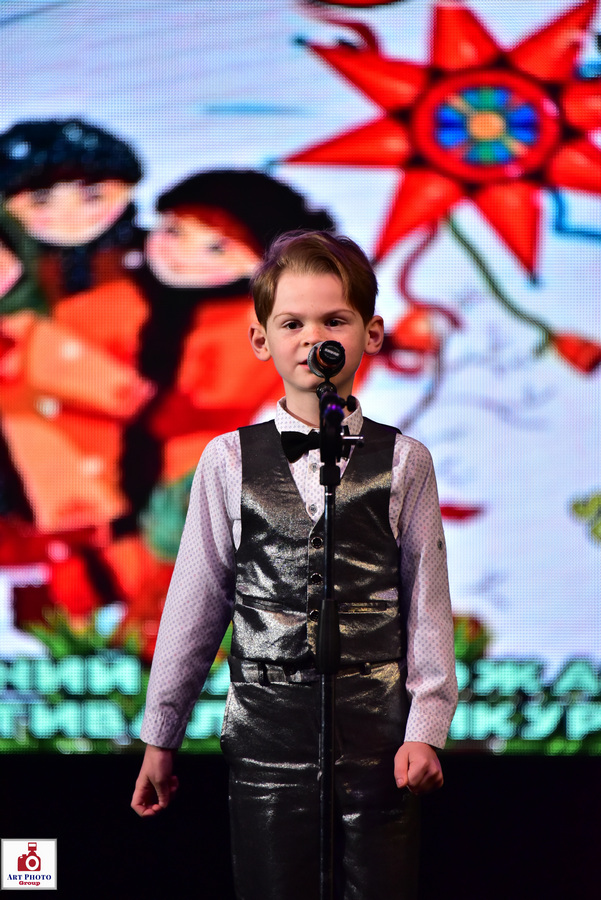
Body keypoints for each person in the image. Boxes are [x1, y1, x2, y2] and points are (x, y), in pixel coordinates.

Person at [131, 231, 458, 900]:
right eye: (292, 323)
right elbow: (195, 604)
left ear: (370, 334)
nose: (315, 338)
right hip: (266, 740)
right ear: (261, 339)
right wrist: (161, 736)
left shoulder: (405, 462)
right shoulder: (228, 460)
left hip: (376, 743)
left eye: (334, 320)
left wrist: (426, 729)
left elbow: (426, 604)